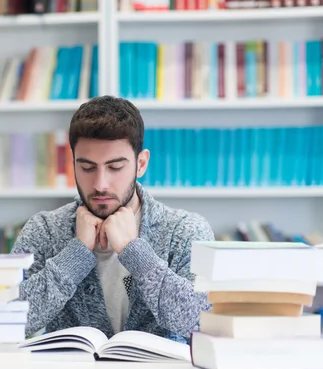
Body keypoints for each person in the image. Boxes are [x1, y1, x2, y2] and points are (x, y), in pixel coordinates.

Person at [11, 95, 214, 343]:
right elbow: (8, 320)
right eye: (86, 168)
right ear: (72, 163)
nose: (100, 184)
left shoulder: (185, 231)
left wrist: (136, 254)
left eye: (115, 167)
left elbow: (203, 321)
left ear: (141, 164)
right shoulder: (45, 230)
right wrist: (73, 256)